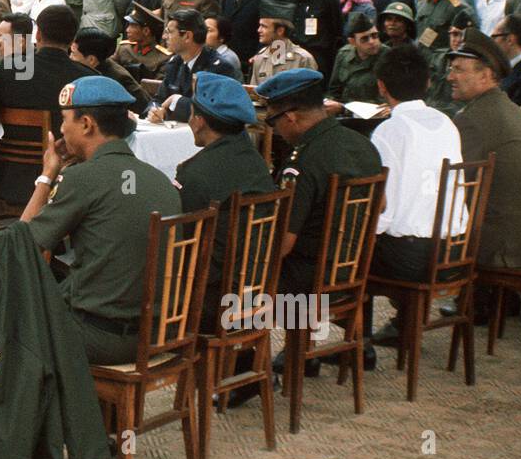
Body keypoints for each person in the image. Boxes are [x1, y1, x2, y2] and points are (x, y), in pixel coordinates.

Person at [8, 75, 182, 365]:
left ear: (87, 124)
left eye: (64, 120)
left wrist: (47, 175)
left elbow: (19, 248)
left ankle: (22, 408)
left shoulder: (83, 178)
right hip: (157, 333)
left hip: (98, 337)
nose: (61, 129)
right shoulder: (160, 179)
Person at [256, 68, 382, 374]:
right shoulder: (362, 144)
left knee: (239, 280)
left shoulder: (303, 160)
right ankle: (326, 347)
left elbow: (284, 243)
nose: (274, 129)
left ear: (291, 117)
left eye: (272, 121)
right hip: (352, 272)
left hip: (309, 282)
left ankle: (247, 368)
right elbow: (381, 207)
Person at [365, 45, 465, 347]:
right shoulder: (447, 122)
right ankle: (400, 325)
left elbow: (381, 204)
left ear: (382, 87)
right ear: (428, 83)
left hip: (411, 259)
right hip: (455, 251)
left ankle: (358, 345)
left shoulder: (389, 130)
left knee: (344, 251)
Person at [174, 72, 275, 347]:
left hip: (211, 304)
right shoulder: (256, 164)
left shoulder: (194, 173)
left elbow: (181, 246)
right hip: (258, 294)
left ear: (199, 120)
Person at [0, 5, 93, 209]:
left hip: (10, 178)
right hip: (69, 182)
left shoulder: (7, 71)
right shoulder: (88, 78)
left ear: (38, 34)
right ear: (72, 39)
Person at [446, 29, 521, 274]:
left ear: (486, 75)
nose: (450, 77)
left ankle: (410, 311)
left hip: (498, 248)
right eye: (451, 69)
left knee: (408, 245)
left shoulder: (471, 119)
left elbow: (453, 187)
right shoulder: (514, 110)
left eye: (459, 69)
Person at [148, 9, 239, 122]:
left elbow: (210, 111)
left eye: (169, 32)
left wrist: (176, 100)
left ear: (187, 36)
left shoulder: (218, 68)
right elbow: (158, 99)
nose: (164, 37)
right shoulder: (175, 63)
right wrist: (154, 110)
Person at [70, 28, 150, 115]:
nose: (70, 58)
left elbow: (145, 107)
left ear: (91, 60)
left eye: (74, 54)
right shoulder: (94, 67)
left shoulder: (116, 79)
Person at [325, 12, 388, 113]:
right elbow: (334, 90)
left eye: (374, 35)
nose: (372, 41)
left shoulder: (389, 57)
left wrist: (343, 108)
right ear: (352, 42)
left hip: (374, 116)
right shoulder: (343, 54)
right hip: (344, 115)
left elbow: (386, 101)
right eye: (364, 39)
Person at [247, 0, 317, 90]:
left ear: (280, 31)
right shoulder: (260, 59)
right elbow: (254, 95)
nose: (259, 30)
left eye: (264, 26)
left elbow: (311, 97)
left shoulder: (303, 59)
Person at [112, 2, 169, 81]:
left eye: (132, 26)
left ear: (146, 31)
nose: (127, 30)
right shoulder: (123, 49)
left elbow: (156, 87)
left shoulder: (163, 58)